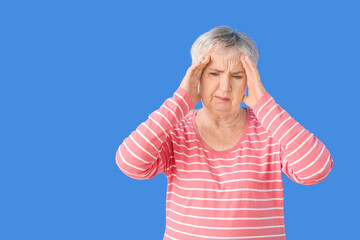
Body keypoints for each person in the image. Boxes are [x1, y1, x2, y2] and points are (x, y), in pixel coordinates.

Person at [115, 25, 333, 240]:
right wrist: (180, 101)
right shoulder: (175, 131)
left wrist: (265, 107)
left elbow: (316, 169)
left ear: (250, 79)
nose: (225, 86)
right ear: (197, 75)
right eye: (214, 73)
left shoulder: (271, 130)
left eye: (237, 76)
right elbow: (130, 164)